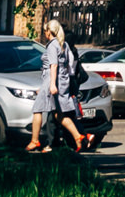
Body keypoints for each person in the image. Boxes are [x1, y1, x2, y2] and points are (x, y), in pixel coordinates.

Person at [27, 16, 90, 157]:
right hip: (62, 81)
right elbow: (70, 66)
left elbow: (53, 66)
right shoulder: (64, 45)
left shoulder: (52, 45)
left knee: (37, 110)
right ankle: (77, 137)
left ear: (50, 31)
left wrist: (51, 85)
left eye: (45, 31)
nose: (44, 34)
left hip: (52, 81)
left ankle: (34, 140)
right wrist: (64, 82)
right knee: (58, 114)